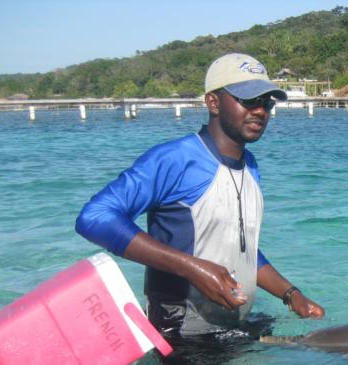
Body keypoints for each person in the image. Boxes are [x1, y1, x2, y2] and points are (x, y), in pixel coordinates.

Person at [76, 52, 324, 337]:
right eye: (248, 100)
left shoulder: (250, 166)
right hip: (182, 334)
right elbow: (94, 217)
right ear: (213, 102)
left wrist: (290, 294)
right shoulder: (176, 159)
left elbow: (238, 247)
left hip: (233, 322)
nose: (260, 111)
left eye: (266, 103)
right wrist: (192, 269)